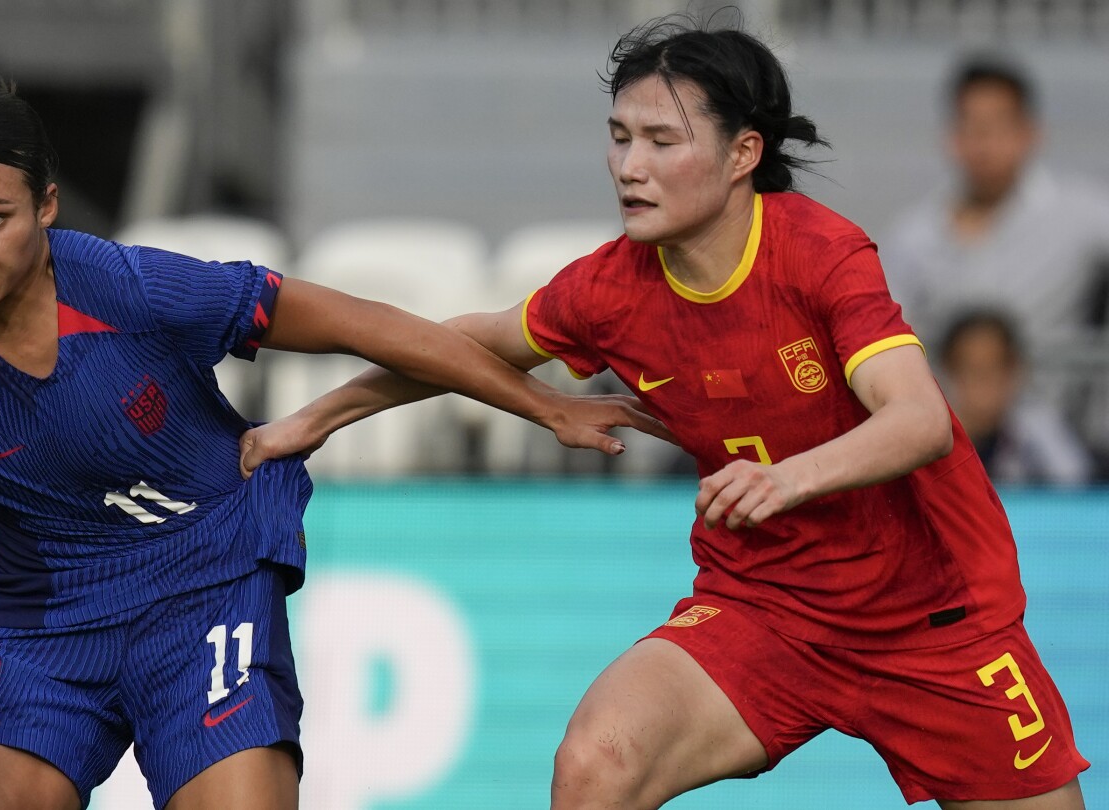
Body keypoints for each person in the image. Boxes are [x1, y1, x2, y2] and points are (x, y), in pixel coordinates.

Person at [239, 18, 1089, 809]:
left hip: (935, 622)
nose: (628, 166)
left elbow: (918, 421)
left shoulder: (823, 255)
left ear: (742, 154)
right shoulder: (610, 288)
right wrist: (317, 419)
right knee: (596, 761)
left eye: (660, 141)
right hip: (764, 610)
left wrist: (789, 478)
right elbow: (467, 343)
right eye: (618, 138)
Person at [0, 86, 662, 809]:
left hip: (208, 580)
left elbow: (372, 326)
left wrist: (540, 405)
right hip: (46, 627)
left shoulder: (138, 288)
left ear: (47, 205)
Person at [878, 56, 1109, 440]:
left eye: (998, 126)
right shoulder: (912, 237)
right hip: (945, 439)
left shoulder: (1083, 214)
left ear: (1030, 132)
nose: (984, 144)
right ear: (951, 136)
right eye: (971, 127)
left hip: (1057, 446)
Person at [938, 309, 1094, 487]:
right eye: (973, 370)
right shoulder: (934, 434)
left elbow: (1075, 485)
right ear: (948, 371)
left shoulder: (1037, 425)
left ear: (1016, 371)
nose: (985, 383)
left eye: (995, 369)